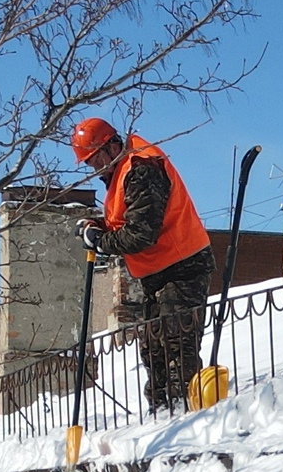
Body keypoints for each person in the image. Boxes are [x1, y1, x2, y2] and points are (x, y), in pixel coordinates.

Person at [70, 117, 214, 413]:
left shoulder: (141, 169)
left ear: (111, 147)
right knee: (153, 349)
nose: (94, 168)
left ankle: (188, 413)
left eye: (95, 159)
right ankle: (162, 413)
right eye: (89, 163)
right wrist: (99, 226)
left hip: (182, 266)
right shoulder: (124, 172)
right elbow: (128, 220)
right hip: (157, 273)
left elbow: (141, 234)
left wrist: (99, 241)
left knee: (177, 346)